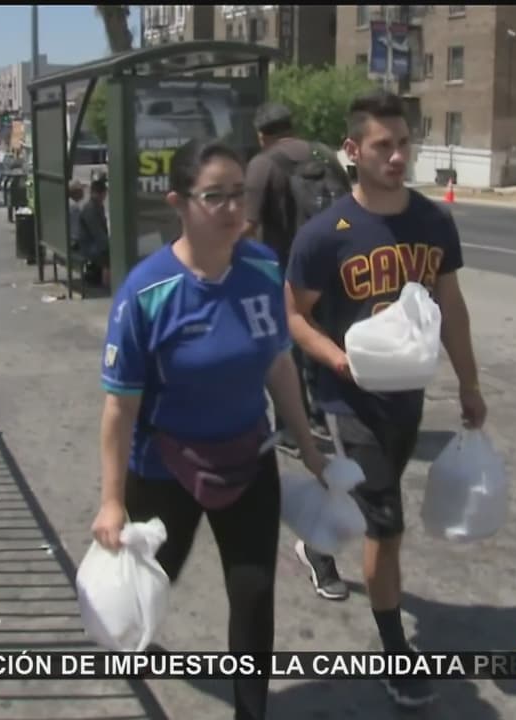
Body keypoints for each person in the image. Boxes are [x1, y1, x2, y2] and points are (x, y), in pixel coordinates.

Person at [91, 137, 327, 720]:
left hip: (248, 459)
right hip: (164, 468)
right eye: (213, 197)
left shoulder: (262, 268)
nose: (231, 210)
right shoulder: (147, 291)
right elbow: (119, 408)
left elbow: (277, 364)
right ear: (180, 202)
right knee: (153, 579)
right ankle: (131, 645)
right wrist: (112, 503)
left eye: (237, 196)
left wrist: (309, 445)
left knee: (253, 595)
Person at [283, 90, 489, 708]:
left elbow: (451, 308)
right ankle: (396, 653)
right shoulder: (326, 234)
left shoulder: (433, 222)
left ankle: (316, 543)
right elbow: (293, 316)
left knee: (366, 503)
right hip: (349, 401)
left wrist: (470, 383)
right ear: (354, 151)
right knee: (387, 525)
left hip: (406, 399)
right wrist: (336, 359)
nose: (398, 156)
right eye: (383, 146)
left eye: (404, 143)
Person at [243, 102, 352, 456]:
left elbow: (247, 224)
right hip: (333, 267)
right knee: (325, 339)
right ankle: (330, 415)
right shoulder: (324, 154)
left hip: (286, 270)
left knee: (285, 349)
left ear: (263, 135)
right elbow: (350, 208)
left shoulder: (263, 164)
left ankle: (293, 427)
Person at [77, 176, 111, 287]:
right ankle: (106, 281)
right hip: (89, 246)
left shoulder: (97, 206)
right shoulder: (90, 209)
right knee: (109, 253)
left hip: (92, 243)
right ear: (101, 193)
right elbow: (98, 235)